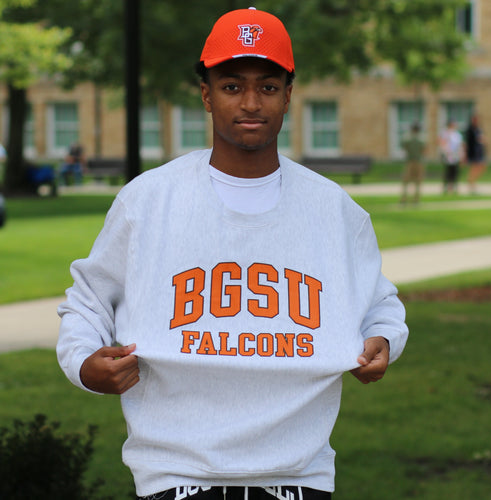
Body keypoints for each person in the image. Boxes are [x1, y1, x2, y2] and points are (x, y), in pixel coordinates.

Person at [57, 8, 408, 500]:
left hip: (297, 474)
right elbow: (87, 303)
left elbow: (381, 305)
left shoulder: (334, 210)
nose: (250, 103)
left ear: (289, 94)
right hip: (174, 475)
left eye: (267, 87)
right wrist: (85, 365)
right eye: (230, 86)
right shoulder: (148, 201)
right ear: (205, 94)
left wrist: (383, 339)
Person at [400, 123, 426, 204]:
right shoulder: (421, 139)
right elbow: (424, 150)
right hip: (418, 161)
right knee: (417, 181)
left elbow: (404, 147)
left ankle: (404, 198)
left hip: (410, 161)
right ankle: (416, 199)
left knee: (406, 181)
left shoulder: (407, 138)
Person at [439, 120, 463, 194]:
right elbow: (442, 143)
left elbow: (460, 145)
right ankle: (446, 187)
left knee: (455, 171)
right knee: (448, 171)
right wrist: (445, 151)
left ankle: (454, 187)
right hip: (448, 154)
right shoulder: (445, 133)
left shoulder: (457, 134)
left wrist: (461, 154)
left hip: (455, 155)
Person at [465, 114, 487, 194]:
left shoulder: (478, 129)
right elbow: (468, 142)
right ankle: (471, 183)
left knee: (482, 167)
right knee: (474, 167)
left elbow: (481, 139)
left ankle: (472, 180)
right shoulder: (470, 129)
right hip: (473, 152)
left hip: (479, 151)